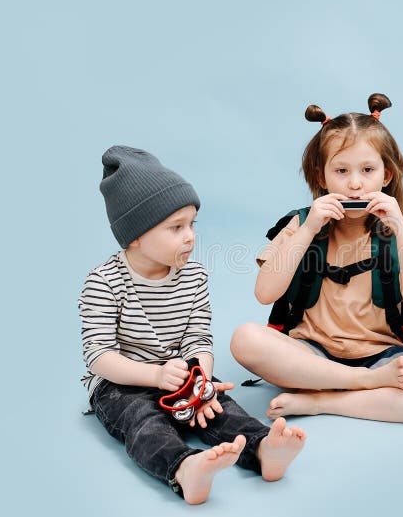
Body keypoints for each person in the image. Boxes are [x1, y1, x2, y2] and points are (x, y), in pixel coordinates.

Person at [79, 145, 306, 504]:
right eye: (176, 227)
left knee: (219, 406)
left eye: (191, 224)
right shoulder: (104, 282)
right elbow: (98, 356)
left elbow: (198, 336)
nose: (190, 236)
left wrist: (199, 380)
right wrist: (154, 377)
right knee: (143, 419)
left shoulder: (194, 276)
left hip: (182, 375)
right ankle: (183, 468)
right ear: (135, 235)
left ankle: (263, 448)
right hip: (123, 382)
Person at [230, 94, 403, 423]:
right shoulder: (301, 223)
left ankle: (320, 400)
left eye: (367, 170)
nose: (355, 184)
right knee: (245, 338)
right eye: (341, 170)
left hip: (381, 354)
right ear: (322, 177)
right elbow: (264, 293)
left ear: (387, 175)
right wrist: (309, 228)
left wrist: (400, 230)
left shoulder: (401, 232)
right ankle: (361, 385)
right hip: (309, 351)